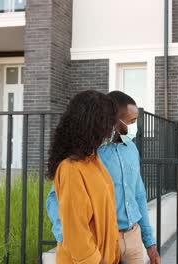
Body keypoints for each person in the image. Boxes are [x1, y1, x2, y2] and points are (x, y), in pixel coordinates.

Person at [47, 91, 161, 264]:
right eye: (131, 122)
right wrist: (73, 241)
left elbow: (138, 194)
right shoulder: (77, 163)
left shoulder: (116, 154)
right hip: (97, 248)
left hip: (125, 240)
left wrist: (149, 242)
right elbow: (63, 210)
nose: (135, 127)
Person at [48, 90, 120, 264]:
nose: (110, 130)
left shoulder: (94, 160)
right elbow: (76, 230)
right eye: (107, 124)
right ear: (92, 126)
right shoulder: (71, 169)